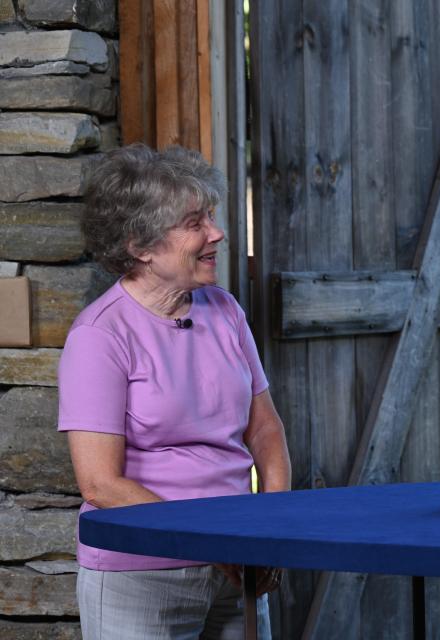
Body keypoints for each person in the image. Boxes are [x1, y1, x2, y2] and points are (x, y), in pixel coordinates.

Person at [58, 144, 292, 638]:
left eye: (210, 216)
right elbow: (100, 484)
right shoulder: (99, 336)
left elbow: (266, 430)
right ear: (141, 246)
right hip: (140, 573)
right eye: (195, 222)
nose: (217, 233)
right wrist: (214, 543)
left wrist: (271, 533)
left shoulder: (224, 310)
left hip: (236, 560)